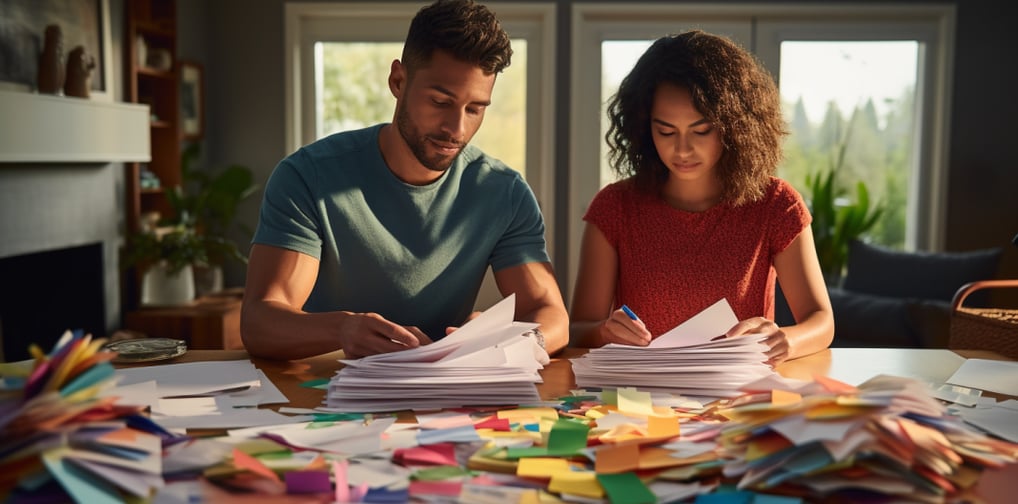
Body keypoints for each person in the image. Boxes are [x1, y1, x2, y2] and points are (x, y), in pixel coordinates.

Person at [241, 0, 567, 361]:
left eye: (475, 109)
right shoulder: (309, 176)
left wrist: (506, 344)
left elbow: (551, 315)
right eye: (440, 102)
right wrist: (342, 329)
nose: (457, 129)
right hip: (326, 387)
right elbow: (260, 321)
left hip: (440, 392)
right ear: (398, 80)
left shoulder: (504, 193)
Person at [569, 30, 834, 366]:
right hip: (642, 397)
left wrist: (783, 339)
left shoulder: (776, 205)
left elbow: (821, 321)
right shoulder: (615, 207)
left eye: (701, 130)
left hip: (737, 397)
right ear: (642, 127)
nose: (682, 149)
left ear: (734, 125)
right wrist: (606, 332)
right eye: (665, 131)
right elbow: (578, 330)